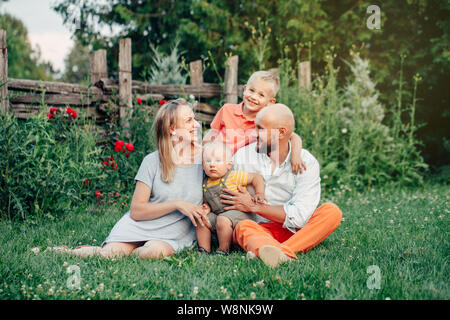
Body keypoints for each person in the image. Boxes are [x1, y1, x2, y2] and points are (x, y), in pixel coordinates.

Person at [45, 99, 206, 259]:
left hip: (175, 232)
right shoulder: (152, 161)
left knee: (153, 252)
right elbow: (136, 211)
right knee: (108, 255)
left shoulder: (207, 158)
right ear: (172, 129)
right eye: (189, 121)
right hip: (141, 225)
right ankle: (62, 251)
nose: (197, 125)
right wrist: (177, 204)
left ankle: (127, 252)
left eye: (194, 119)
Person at [220, 104, 343, 268]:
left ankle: (279, 251)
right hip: (257, 228)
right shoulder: (243, 156)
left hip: (293, 229)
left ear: (282, 132)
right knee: (243, 227)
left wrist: (254, 206)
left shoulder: (306, 162)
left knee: (331, 212)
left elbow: (300, 217)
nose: (254, 134)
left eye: (261, 129)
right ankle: (278, 250)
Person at [203, 70, 306, 174]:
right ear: (244, 89)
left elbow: (293, 136)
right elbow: (212, 132)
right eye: (251, 90)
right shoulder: (227, 110)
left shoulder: (264, 122)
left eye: (261, 95)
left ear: (270, 102)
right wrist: (204, 151)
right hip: (214, 165)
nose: (253, 97)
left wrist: (295, 155)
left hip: (239, 169)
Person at [196, 141, 266, 255]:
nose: (212, 164)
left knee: (222, 220)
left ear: (228, 165)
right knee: (201, 218)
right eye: (208, 161)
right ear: (203, 165)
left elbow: (256, 177)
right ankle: (204, 249)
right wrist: (207, 208)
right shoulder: (205, 182)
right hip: (220, 215)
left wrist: (259, 193)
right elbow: (207, 201)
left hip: (240, 213)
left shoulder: (233, 176)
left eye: (218, 161)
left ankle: (224, 249)